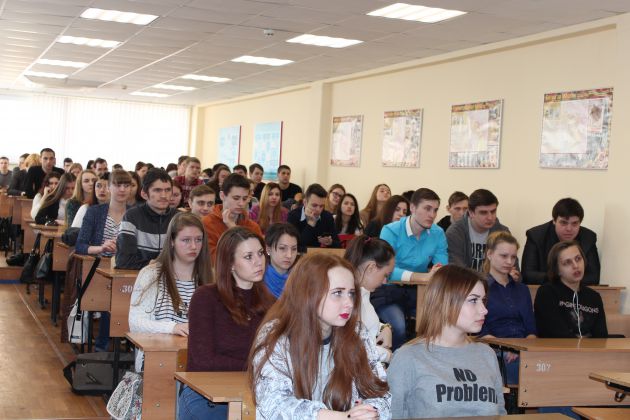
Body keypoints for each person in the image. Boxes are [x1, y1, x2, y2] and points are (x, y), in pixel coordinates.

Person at [249, 253, 391, 419]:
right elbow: (275, 404)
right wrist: (343, 417)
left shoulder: (357, 333)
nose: (349, 303)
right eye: (338, 293)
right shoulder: (275, 334)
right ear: (308, 294)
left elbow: (381, 393)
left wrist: (371, 411)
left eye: (351, 293)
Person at [388, 264, 506, 418]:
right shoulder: (408, 357)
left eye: (483, 300)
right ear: (445, 301)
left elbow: (500, 414)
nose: (484, 310)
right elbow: (392, 415)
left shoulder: (487, 354)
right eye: (473, 300)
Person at [180, 227, 274, 419]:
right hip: (206, 395)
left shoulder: (271, 304)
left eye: (260, 253)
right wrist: (256, 367)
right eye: (248, 257)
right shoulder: (205, 298)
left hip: (254, 392)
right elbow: (203, 360)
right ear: (230, 263)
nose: (259, 261)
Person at [129, 212, 212, 371]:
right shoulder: (151, 275)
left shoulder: (211, 278)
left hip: (199, 361)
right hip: (158, 361)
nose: (194, 246)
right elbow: (135, 323)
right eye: (186, 240)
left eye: (198, 240)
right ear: (172, 241)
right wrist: (172, 328)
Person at [378, 188, 448, 349]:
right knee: (398, 327)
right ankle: (394, 362)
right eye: (427, 208)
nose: (432, 215)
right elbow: (385, 270)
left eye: (435, 210)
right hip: (389, 291)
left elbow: (442, 269)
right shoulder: (390, 230)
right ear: (413, 208)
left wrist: (436, 272)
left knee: (437, 325)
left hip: (419, 292)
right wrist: (422, 276)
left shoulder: (438, 233)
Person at [75, 169, 131, 351]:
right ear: (109, 187)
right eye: (117, 185)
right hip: (99, 267)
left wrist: (123, 248)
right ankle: (102, 347)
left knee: (121, 300)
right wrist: (101, 248)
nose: (122, 189)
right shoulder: (95, 212)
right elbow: (80, 245)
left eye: (126, 185)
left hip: (126, 269)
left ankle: (126, 345)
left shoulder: (136, 214)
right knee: (110, 301)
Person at [480, 231, 536, 385]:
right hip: (493, 349)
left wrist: (520, 348)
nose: (509, 261)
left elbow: (531, 330)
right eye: (504, 256)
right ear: (489, 254)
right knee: (511, 365)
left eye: (513, 257)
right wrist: (508, 348)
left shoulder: (522, 289)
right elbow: (480, 331)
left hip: (522, 350)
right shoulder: (480, 287)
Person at [535, 241, 607, 338]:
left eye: (578, 259)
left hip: (590, 348)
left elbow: (601, 337)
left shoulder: (594, 297)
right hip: (558, 347)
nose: (576, 266)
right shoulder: (547, 293)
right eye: (567, 262)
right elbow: (556, 334)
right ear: (557, 270)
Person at [522, 198, 600, 285]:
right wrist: (563, 279)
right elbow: (527, 275)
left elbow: (594, 277)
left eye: (574, 223)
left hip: (576, 291)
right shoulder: (536, 236)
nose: (569, 229)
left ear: (580, 223)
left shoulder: (588, 238)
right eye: (563, 223)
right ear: (554, 221)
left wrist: (562, 279)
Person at [344, 235, 396, 364]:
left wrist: (385, 327)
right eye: (385, 275)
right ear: (371, 268)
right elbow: (354, 348)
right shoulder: (350, 299)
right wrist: (388, 356)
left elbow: (367, 324)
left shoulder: (362, 293)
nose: (385, 281)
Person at [116, 168, 178, 270]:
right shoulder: (132, 217)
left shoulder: (179, 218)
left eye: (167, 190)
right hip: (139, 277)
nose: (164, 195)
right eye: (157, 190)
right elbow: (123, 261)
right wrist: (153, 264)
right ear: (144, 194)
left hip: (173, 276)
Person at [446, 189, 516, 274]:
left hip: (494, 282)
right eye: (483, 213)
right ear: (471, 213)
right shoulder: (455, 233)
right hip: (466, 282)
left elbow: (515, 271)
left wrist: (512, 275)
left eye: (493, 211)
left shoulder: (503, 232)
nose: (490, 217)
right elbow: (457, 271)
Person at [202, 173, 263, 261]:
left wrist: (233, 228)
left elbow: (259, 257)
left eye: (244, 198)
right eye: (236, 198)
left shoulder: (253, 227)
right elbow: (212, 259)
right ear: (222, 196)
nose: (241, 203)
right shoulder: (207, 223)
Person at [287, 183, 341, 252]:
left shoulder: (327, 217)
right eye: (314, 205)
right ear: (305, 202)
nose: (318, 209)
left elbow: (338, 245)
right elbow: (293, 246)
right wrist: (310, 225)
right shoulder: (293, 216)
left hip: (321, 256)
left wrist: (331, 242)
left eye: (321, 206)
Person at [263, 223, 299, 298]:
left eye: (294, 249)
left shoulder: (299, 278)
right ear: (268, 249)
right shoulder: (259, 280)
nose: (289, 255)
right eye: (282, 248)